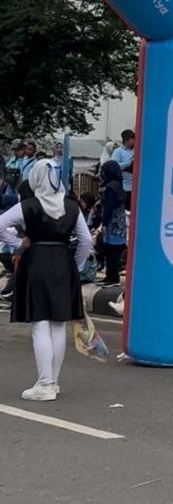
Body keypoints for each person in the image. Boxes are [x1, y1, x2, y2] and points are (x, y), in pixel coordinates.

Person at [0, 159, 92, 401]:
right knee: (58, 324)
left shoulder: (28, 205)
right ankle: (53, 382)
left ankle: (45, 383)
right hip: (63, 263)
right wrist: (77, 265)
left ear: (36, 178)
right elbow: (86, 240)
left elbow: (0, 225)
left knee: (40, 323)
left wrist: (17, 243)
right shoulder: (71, 206)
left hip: (36, 264)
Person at [98, 161, 128, 287]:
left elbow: (109, 207)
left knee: (111, 252)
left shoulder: (110, 188)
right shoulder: (119, 185)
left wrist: (104, 223)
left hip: (112, 224)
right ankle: (110, 276)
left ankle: (112, 278)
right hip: (119, 224)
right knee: (114, 252)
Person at [111, 130, 135, 198]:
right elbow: (114, 166)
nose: (134, 140)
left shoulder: (135, 150)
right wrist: (129, 163)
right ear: (126, 140)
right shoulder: (118, 152)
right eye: (132, 139)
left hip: (134, 187)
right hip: (124, 187)